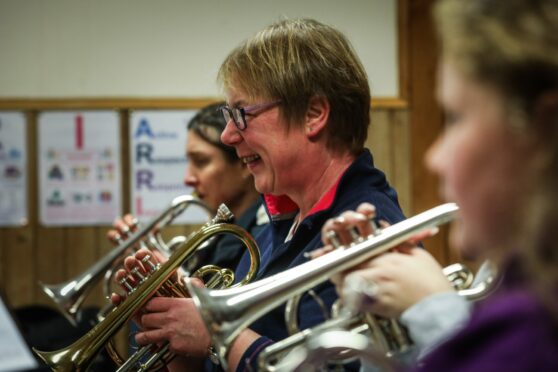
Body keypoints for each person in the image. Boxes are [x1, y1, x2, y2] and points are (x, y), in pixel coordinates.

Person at [113, 18, 406, 372]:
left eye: (241, 114)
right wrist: (176, 328)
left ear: (314, 114)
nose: (227, 135)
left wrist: (218, 333)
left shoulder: (367, 232)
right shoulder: (278, 223)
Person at [324, 0, 558, 370]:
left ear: (543, 132)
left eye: (455, 118)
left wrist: (432, 306)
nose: (434, 158)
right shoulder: (505, 277)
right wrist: (387, 322)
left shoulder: (533, 330)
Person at [109, 101, 267, 274]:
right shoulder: (217, 234)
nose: (188, 179)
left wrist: (168, 276)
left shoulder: (263, 238)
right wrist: (148, 258)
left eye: (201, 161)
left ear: (243, 163)